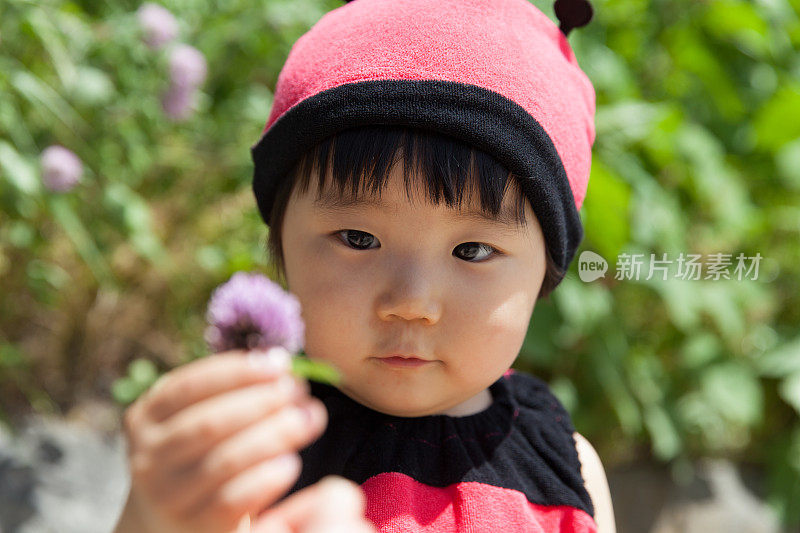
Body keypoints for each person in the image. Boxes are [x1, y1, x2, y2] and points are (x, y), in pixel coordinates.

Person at [114, 0, 616, 531]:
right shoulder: (254, 441)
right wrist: (153, 514)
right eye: (358, 238)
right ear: (280, 243)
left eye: (472, 251)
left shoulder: (567, 468)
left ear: (546, 272)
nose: (411, 302)